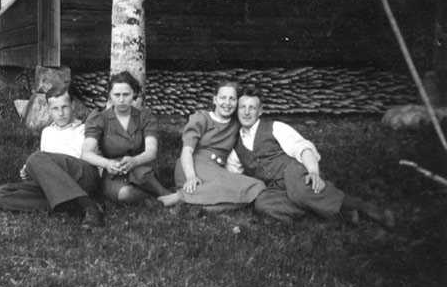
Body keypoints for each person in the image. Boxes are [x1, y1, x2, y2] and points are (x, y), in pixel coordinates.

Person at [226, 88, 395, 226]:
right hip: (274, 187)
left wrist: (313, 172)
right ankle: (343, 216)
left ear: (260, 111)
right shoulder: (236, 148)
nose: (246, 112)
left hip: (293, 173)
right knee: (263, 204)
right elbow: (233, 176)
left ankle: (372, 211)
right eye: (242, 107)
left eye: (252, 108)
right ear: (237, 110)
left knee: (300, 192)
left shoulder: (275, 127)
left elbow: (302, 147)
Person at [0, 87, 103, 229]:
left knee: (35, 158)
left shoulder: (85, 129)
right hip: (58, 185)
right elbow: (48, 171)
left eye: (64, 107)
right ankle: (71, 203)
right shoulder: (47, 132)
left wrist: (37, 164)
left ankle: (88, 206)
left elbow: (91, 160)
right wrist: (32, 174)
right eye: (55, 109)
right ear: (49, 110)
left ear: (73, 105)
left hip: (83, 175)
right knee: (0, 194)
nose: (60, 113)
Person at [158, 80, 266, 209]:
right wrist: (191, 177)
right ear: (215, 100)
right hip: (192, 167)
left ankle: (205, 208)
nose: (227, 103)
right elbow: (187, 151)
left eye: (232, 99)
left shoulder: (236, 123)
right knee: (234, 186)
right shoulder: (202, 118)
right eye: (223, 98)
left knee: (257, 186)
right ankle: (178, 197)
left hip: (217, 172)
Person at [81, 71, 171, 204]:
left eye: (126, 94)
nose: (121, 100)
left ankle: (165, 194)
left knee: (142, 174)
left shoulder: (144, 117)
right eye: (117, 95)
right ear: (110, 95)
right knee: (124, 194)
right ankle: (156, 198)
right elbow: (86, 153)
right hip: (114, 171)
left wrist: (135, 161)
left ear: (134, 94)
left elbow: (151, 151)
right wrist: (106, 163)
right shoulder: (99, 119)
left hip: (141, 167)